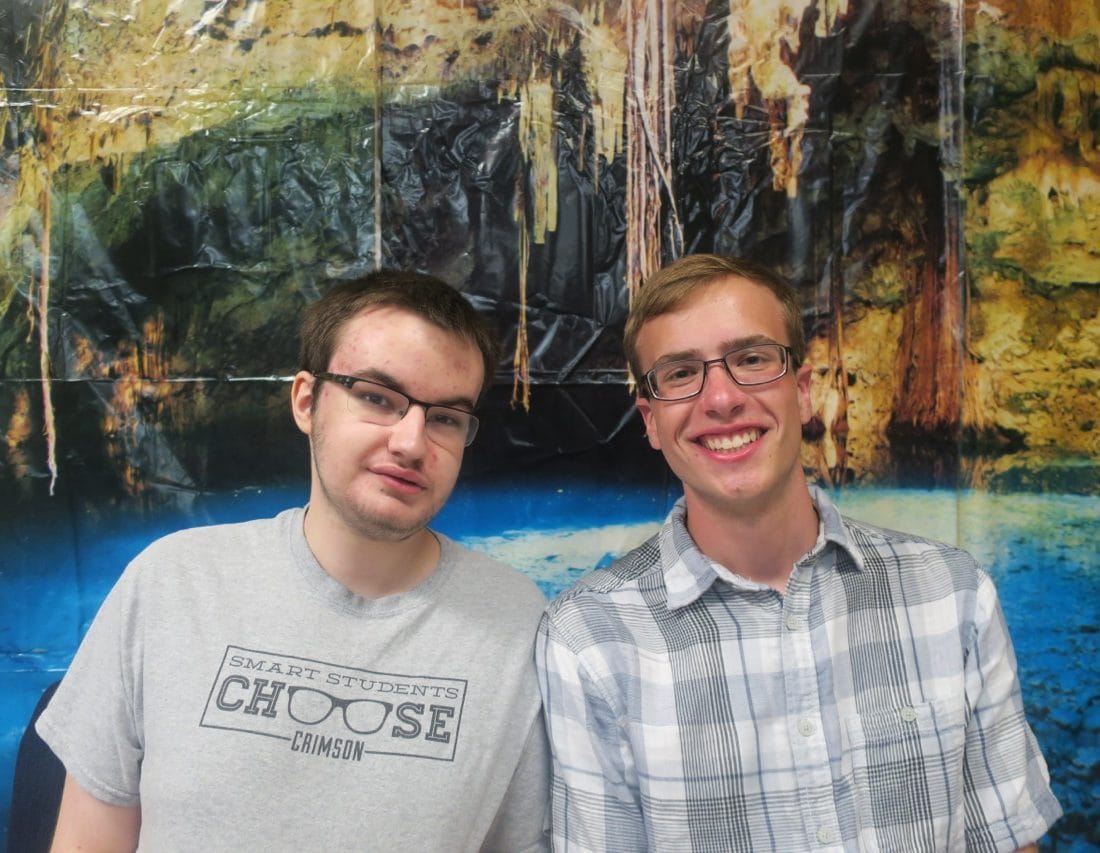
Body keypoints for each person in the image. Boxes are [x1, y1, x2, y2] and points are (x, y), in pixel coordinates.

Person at [536, 254, 1061, 852]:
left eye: (752, 360)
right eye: (680, 373)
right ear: (651, 422)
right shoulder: (589, 639)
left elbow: (1008, 841)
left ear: (804, 391)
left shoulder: (951, 591)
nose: (721, 398)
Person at [37, 271, 550, 851]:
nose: (411, 442)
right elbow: (87, 841)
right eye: (377, 398)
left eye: (445, 418)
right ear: (307, 401)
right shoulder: (173, 583)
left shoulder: (516, 622)